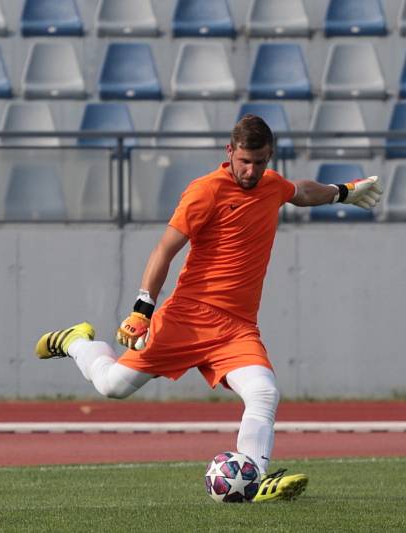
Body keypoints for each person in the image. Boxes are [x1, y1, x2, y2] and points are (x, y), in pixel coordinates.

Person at [35, 115, 382, 502]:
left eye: (261, 162)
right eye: (245, 161)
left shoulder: (270, 185)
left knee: (265, 393)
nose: (252, 171)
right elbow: (165, 249)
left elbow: (299, 191)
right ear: (229, 152)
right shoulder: (205, 191)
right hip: (188, 317)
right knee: (112, 385)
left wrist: (342, 192)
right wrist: (141, 309)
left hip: (236, 329)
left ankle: (255, 479)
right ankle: (77, 342)